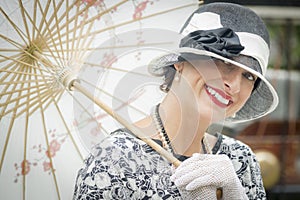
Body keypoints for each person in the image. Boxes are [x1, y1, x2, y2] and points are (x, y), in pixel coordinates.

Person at [73, 2, 278, 200]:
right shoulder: (116, 158)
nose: (234, 85)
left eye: (248, 76)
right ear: (181, 62)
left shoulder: (241, 160)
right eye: (225, 62)